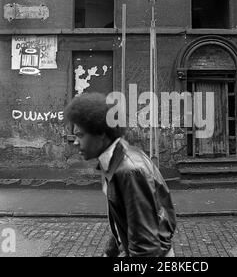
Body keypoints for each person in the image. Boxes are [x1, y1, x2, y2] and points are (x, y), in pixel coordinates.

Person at [64, 93, 177, 257]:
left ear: (101, 133)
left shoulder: (129, 171)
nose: (75, 142)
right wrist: (110, 253)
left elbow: (146, 248)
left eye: (80, 135)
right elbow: (123, 219)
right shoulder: (112, 160)